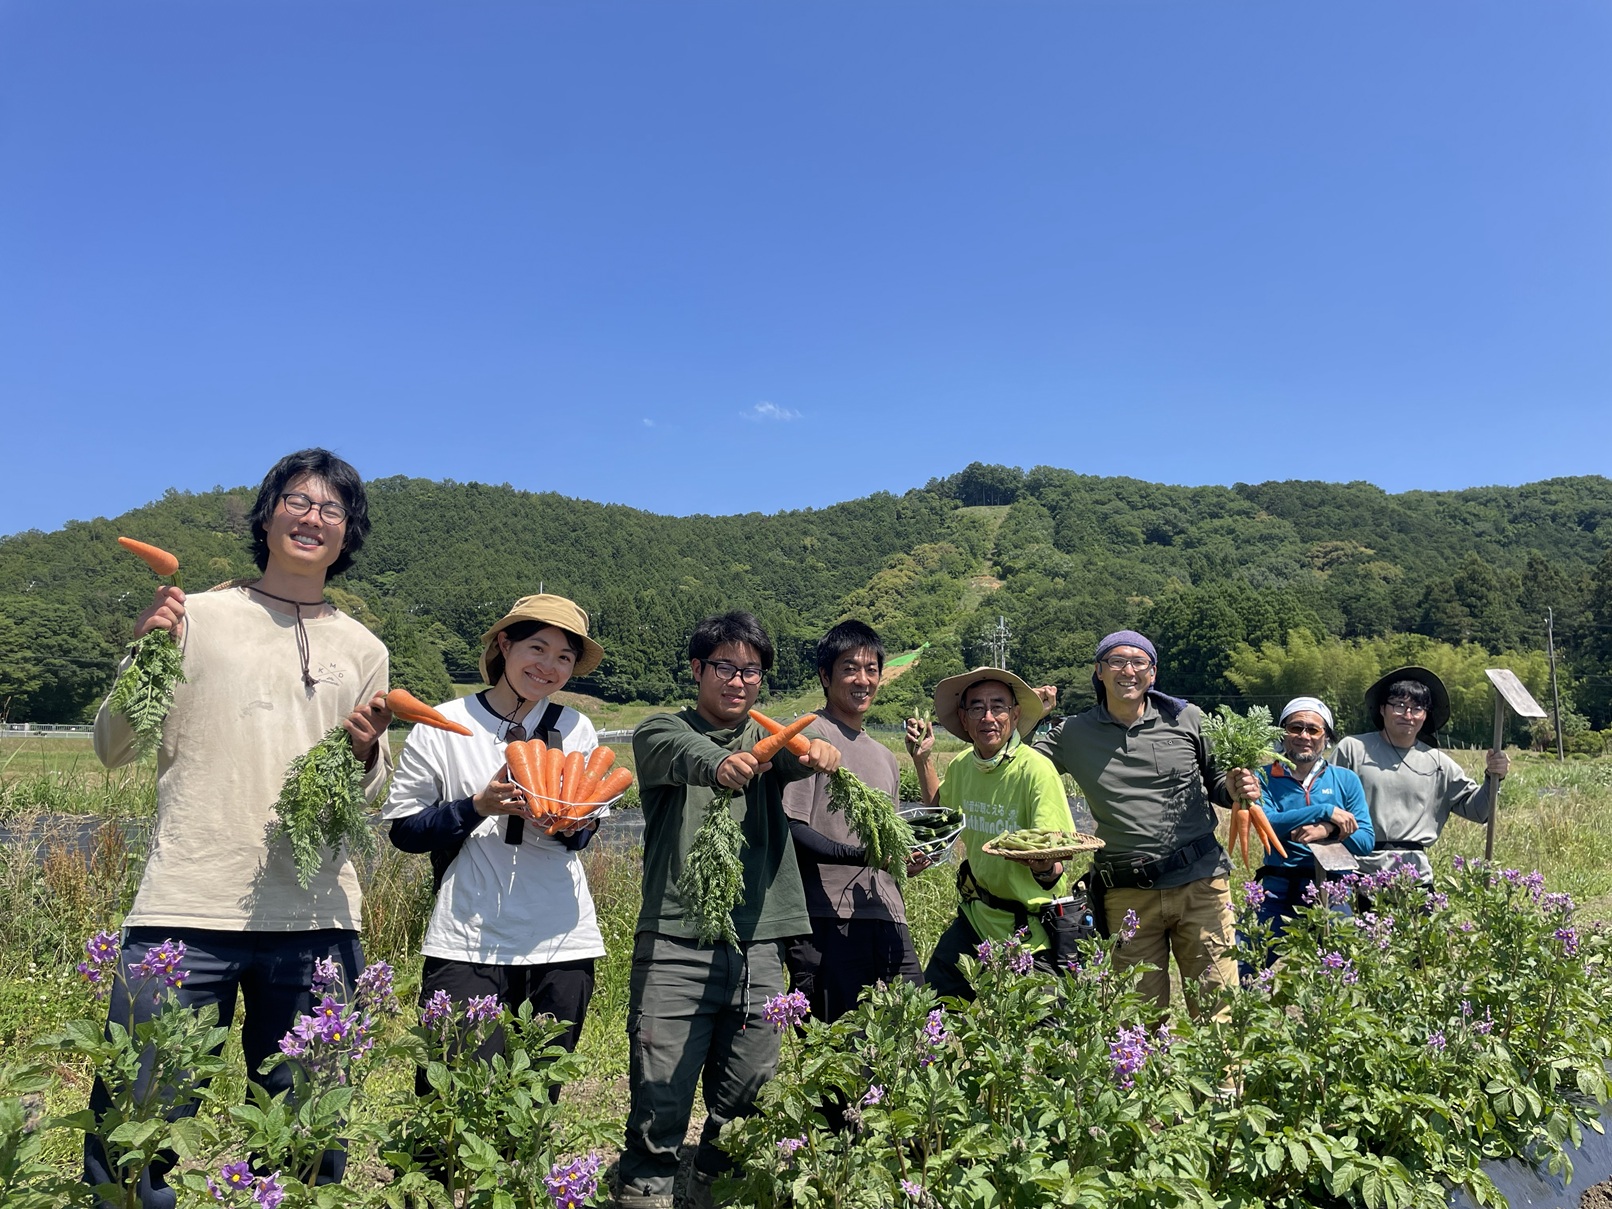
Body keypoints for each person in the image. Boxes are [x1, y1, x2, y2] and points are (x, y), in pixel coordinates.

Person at [89, 449, 392, 1206]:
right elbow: (111, 746)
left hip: (318, 915)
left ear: (349, 533)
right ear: (266, 515)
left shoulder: (365, 649)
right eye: (297, 500)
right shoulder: (196, 615)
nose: (312, 516)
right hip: (186, 909)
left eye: (331, 508)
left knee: (304, 1136)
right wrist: (144, 651)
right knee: (137, 1131)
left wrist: (363, 752)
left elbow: (371, 791)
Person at [616, 611, 842, 1209]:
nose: (739, 681)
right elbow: (683, 750)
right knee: (658, 1101)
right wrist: (720, 766)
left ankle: (718, 1193)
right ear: (697, 669)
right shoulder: (659, 731)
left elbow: (797, 754)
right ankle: (645, 1192)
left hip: (760, 946)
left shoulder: (768, 737)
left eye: (752, 671)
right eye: (725, 667)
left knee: (746, 1104)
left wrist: (817, 751)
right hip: (675, 944)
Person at [383, 595, 607, 1089]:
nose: (549, 666)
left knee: (539, 1092)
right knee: (451, 1092)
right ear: (504, 644)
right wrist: (476, 806)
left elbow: (588, 828)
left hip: (562, 937)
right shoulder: (442, 725)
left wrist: (572, 825)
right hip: (467, 937)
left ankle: (523, 1171)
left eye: (564, 657)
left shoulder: (575, 728)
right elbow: (404, 831)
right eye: (537, 648)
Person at [1032, 630, 1258, 1016]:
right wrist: (1035, 714)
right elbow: (1022, 767)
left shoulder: (1186, 717)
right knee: (1139, 1017)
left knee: (1218, 1008)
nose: (1128, 671)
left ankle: (1226, 1081)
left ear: (1152, 674)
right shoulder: (1073, 732)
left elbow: (1218, 783)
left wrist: (1237, 787)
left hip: (1199, 883)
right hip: (1126, 891)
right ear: (1099, 671)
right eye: (1117, 661)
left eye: (1139, 663)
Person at [782, 620, 924, 1024]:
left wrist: (906, 859)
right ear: (826, 676)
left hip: (888, 915)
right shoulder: (807, 737)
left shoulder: (885, 756)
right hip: (825, 919)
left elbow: (890, 843)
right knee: (837, 1059)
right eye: (849, 668)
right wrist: (863, 855)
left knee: (910, 1038)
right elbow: (793, 830)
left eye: (871, 669)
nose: (863, 680)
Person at [908, 667, 1077, 1001]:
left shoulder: (1036, 770)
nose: (988, 717)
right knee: (929, 1010)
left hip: (1028, 929)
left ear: (1014, 715)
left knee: (1034, 1039)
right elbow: (943, 815)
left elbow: (1057, 860)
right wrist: (923, 760)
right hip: (976, 918)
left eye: (998, 706)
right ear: (964, 718)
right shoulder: (961, 766)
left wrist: (1042, 865)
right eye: (977, 708)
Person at [1331, 666, 1509, 882]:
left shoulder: (1439, 763)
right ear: (1381, 708)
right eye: (1399, 706)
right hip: (1357, 870)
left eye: (1417, 709)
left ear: (1425, 715)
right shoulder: (1353, 749)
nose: (1408, 715)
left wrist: (1493, 776)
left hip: (1415, 876)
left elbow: (1479, 811)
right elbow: (1328, 801)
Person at [1251, 697, 1373, 933]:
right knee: (1246, 964)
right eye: (1295, 728)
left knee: (1338, 965)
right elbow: (1267, 824)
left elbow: (1365, 841)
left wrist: (1330, 829)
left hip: (1334, 887)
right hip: (1279, 885)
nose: (1304, 736)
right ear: (1282, 734)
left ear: (1326, 737)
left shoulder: (1346, 780)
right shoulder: (1261, 777)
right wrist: (1324, 811)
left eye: (1313, 730)